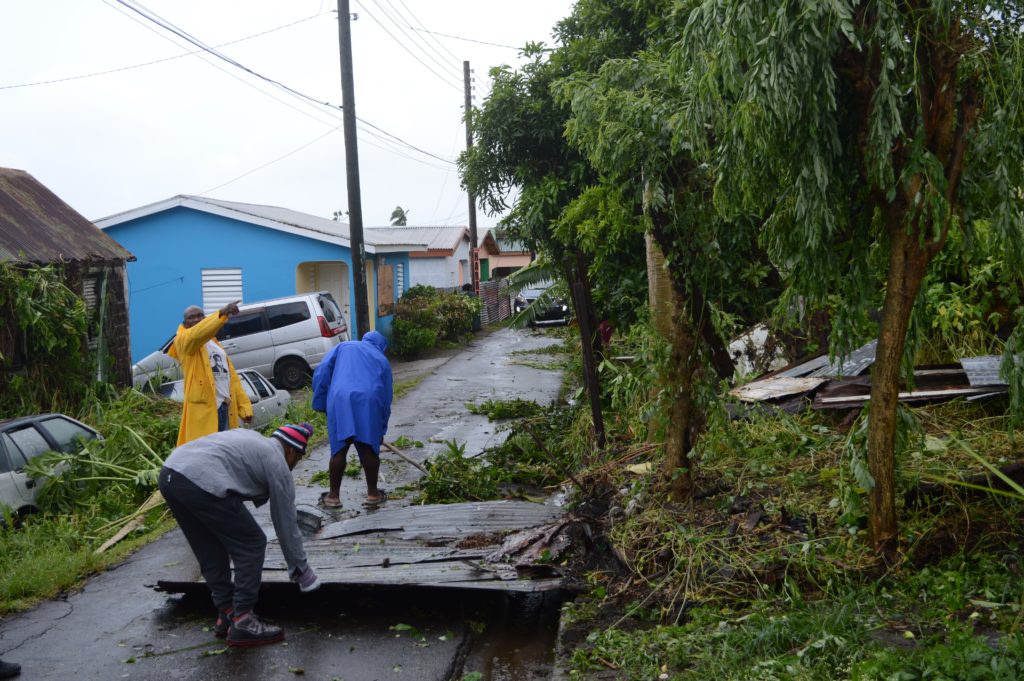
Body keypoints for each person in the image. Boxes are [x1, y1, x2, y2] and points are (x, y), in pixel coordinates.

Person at [158, 423, 321, 648]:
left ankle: (227, 611)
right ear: (291, 451)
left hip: (170, 473)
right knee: (251, 542)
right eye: (298, 459)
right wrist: (301, 570)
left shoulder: (253, 441)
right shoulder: (277, 461)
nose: (295, 465)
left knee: (210, 546)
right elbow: (285, 521)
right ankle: (243, 619)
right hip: (201, 479)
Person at [311, 331, 392, 509]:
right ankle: (372, 495)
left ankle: (333, 497)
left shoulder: (344, 346)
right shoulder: (381, 359)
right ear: (381, 345)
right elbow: (386, 399)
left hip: (340, 399)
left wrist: (320, 402)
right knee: (369, 447)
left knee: (339, 449)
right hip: (369, 401)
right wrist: (381, 429)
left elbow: (322, 371)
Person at [167, 301, 253, 446]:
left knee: (224, 452)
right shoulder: (183, 340)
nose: (196, 319)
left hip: (224, 407)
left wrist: (244, 407)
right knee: (207, 453)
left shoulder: (215, 344)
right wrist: (222, 313)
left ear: (205, 318)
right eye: (191, 317)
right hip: (205, 411)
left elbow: (231, 378)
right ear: (184, 323)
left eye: (199, 316)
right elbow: (196, 334)